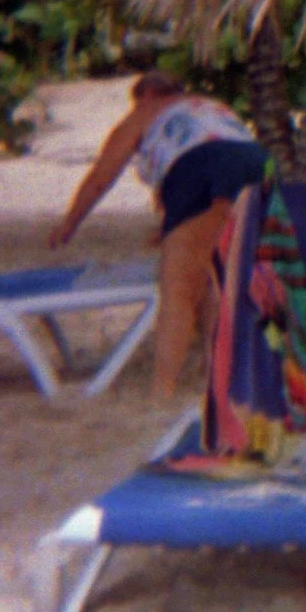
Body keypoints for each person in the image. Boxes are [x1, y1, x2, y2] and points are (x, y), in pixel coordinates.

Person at [48, 71, 271, 397]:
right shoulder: (212, 107)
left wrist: (69, 225)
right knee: (219, 277)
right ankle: (220, 375)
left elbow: (101, 178)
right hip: (259, 166)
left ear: (144, 96)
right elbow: (221, 162)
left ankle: (162, 389)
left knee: (179, 290)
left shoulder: (145, 112)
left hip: (199, 169)